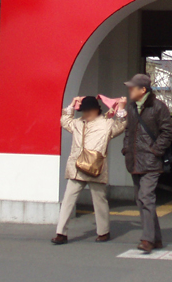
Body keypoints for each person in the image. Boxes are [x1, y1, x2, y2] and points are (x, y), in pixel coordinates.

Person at [51, 95, 127, 245]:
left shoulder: (107, 124)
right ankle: (61, 233)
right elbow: (64, 121)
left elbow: (122, 125)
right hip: (77, 168)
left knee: (99, 201)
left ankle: (103, 231)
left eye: (88, 110)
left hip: (95, 168)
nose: (85, 114)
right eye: (83, 111)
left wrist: (122, 108)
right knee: (67, 200)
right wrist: (72, 105)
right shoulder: (78, 123)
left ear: (97, 110)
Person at [122, 73, 172, 254]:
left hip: (151, 161)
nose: (129, 90)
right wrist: (126, 149)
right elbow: (128, 130)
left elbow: (168, 131)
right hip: (134, 160)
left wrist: (155, 151)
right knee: (141, 200)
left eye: (132, 87)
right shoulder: (131, 107)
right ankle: (156, 238)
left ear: (142, 90)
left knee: (146, 197)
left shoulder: (158, 107)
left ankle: (147, 239)